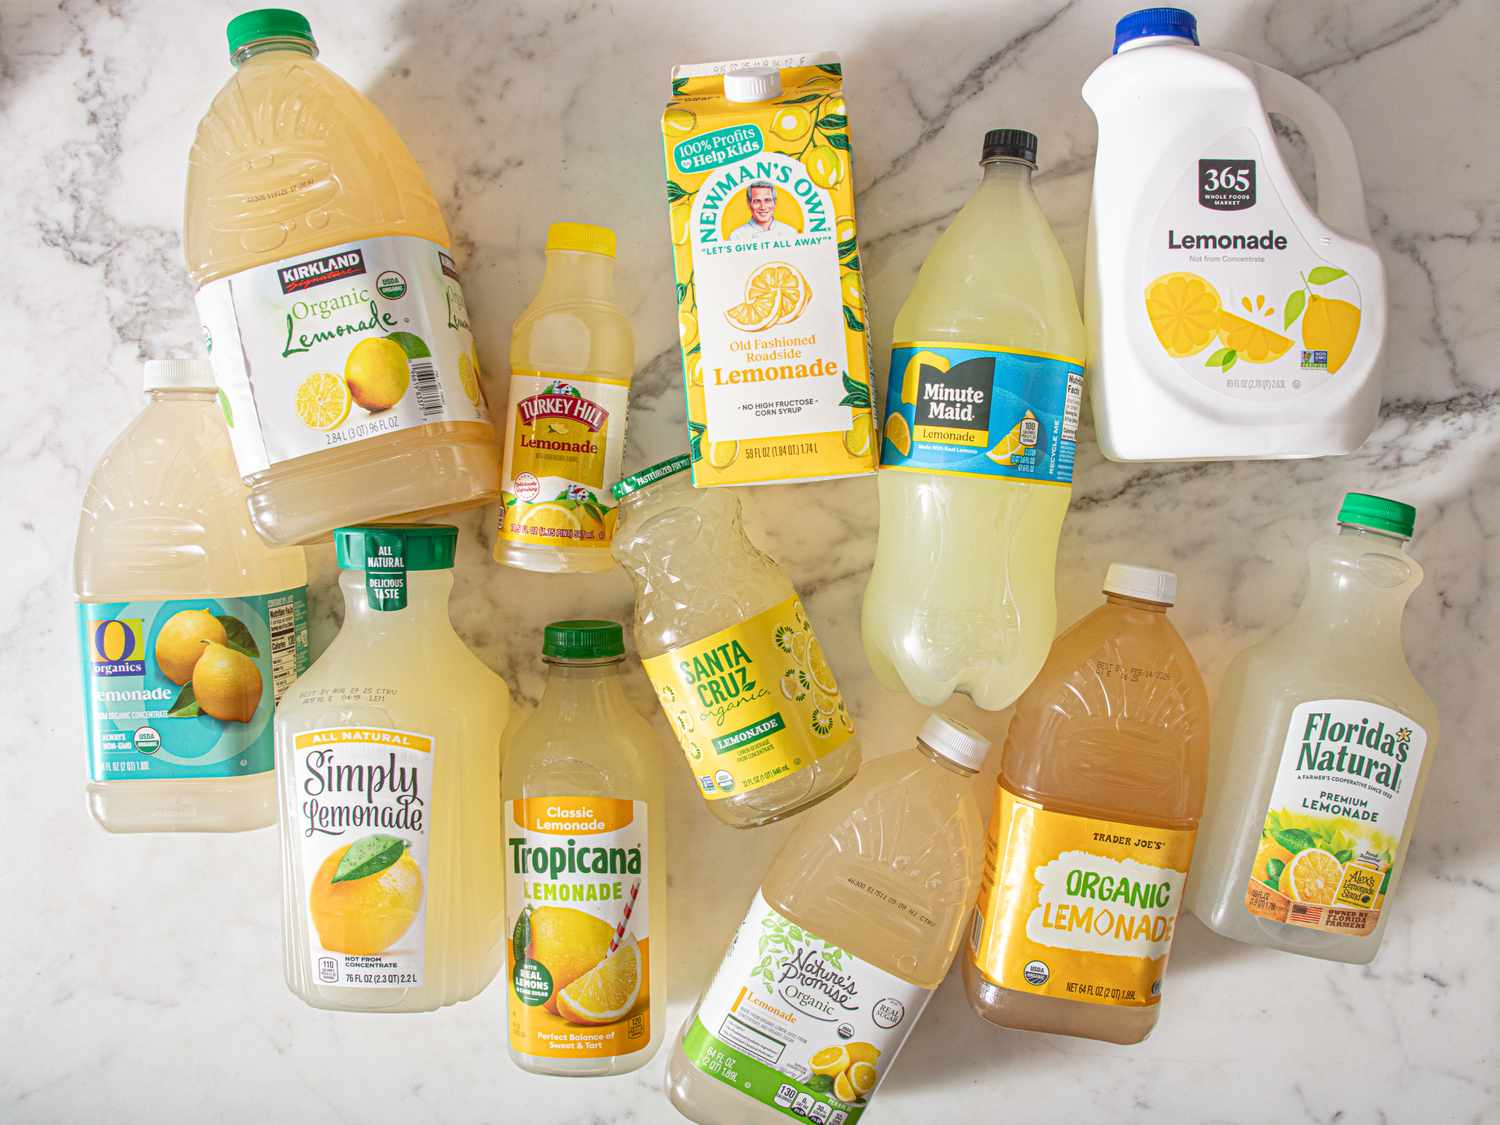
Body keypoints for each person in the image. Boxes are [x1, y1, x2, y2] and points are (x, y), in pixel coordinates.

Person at [729, 182, 798, 241]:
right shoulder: (737, 237)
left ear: (775, 203)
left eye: (767, 200)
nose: (763, 207)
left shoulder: (790, 232)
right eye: (757, 201)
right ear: (749, 204)